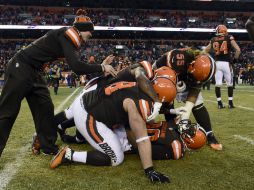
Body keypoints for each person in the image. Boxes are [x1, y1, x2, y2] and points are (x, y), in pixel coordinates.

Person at [0, 9, 116, 157]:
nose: (91, 34)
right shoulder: (68, 35)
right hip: (21, 66)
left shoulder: (68, 37)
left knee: (45, 107)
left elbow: (79, 65)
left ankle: (47, 146)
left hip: (34, 71)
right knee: (7, 112)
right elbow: (76, 67)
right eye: (89, 31)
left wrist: (100, 66)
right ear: (81, 29)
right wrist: (101, 67)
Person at [50, 70, 177, 183]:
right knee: (116, 157)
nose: (167, 106)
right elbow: (142, 139)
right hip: (88, 115)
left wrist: (170, 111)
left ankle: (49, 131)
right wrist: (149, 170)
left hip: (88, 97)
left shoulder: (138, 84)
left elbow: (136, 73)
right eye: (165, 104)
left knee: (120, 134)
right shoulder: (137, 105)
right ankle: (69, 155)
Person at [152, 48, 222, 151]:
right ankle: (173, 130)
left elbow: (194, 91)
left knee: (198, 103)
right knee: (168, 98)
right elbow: (156, 71)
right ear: (192, 64)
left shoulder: (201, 70)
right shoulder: (177, 59)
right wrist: (174, 87)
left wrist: (186, 114)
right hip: (165, 76)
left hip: (183, 78)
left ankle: (209, 134)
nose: (196, 80)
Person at [205, 25, 241, 109]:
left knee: (218, 84)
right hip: (226, 63)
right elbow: (238, 50)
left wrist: (211, 60)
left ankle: (219, 103)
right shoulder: (229, 37)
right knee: (230, 84)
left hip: (217, 63)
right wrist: (234, 61)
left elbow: (205, 51)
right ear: (224, 31)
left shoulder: (213, 39)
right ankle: (230, 103)